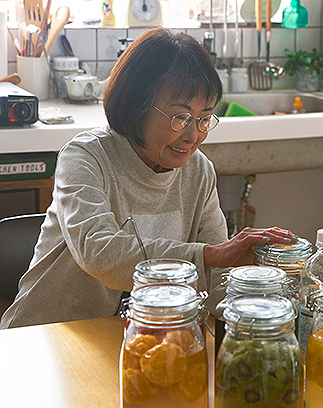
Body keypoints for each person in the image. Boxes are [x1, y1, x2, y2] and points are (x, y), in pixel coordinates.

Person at [1, 28, 295, 329]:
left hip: (137, 340)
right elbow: (98, 251)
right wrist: (210, 256)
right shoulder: (85, 158)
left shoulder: (198, 172)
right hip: (45, 338)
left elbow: (215, 275)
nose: (193, 136)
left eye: (204, 118)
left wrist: (259, 282)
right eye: (181, 117)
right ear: (137, 105)